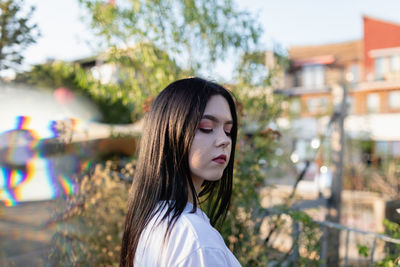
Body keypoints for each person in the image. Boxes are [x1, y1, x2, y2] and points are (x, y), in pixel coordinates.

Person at [120, 77, 241, 267]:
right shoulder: (196, 240)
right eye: (206, 128)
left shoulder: (153, 221)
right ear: (170, 133)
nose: (224, 140)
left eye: (228, 130)